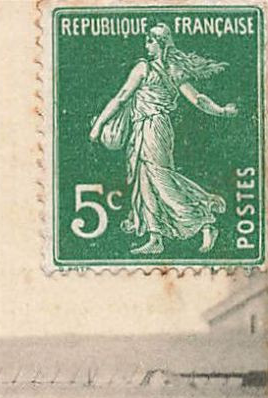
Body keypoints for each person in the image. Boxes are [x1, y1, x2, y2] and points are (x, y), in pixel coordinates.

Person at [89, 23, 238, 255]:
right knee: (145, 179)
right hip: (146, 128)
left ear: (160, 43)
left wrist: (98, 125)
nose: (146, 45)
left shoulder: (144, 68)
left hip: (154, 128)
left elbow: (121, 98)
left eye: (149, 41)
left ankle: (204, 220)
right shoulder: (172, 71)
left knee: (160, 178)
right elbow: (198, 99)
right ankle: (155, 237)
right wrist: (220, 110)